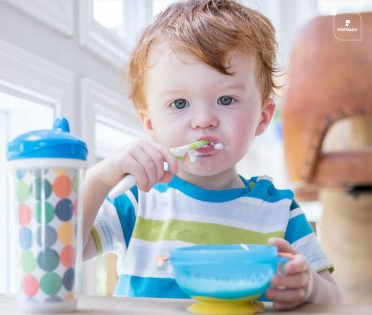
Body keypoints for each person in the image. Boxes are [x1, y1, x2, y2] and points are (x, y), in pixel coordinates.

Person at [81, 0, 342, 310]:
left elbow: (335, 300)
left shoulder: (279, 210)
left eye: (226, 99)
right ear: (149, 123)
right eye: (179, 104)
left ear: (263, 116)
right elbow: (59, 253)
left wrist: (310, 287)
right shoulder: (138, 199)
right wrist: (98, 178)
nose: (203, 120)